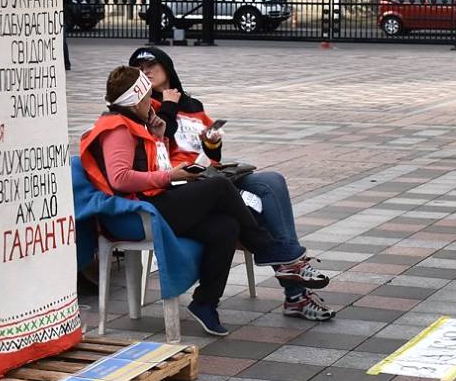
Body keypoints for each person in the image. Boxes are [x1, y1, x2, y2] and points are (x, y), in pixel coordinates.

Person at [80, 66, 305, 337]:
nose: (152, 104)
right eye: (148, 98)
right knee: (219, 186)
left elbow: (144, 163)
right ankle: (267, 249)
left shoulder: (135, 123)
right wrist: (170, 176)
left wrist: (159, 136)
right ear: (136, 100)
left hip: (150, 204)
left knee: (226, 226)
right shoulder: (117, 129)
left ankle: (205, 303)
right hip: (136, 214)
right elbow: (120, 178)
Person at [129, 45, 334, 320]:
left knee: (272, 180)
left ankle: (289, 270)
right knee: (259, 213)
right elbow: (157, 142)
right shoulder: (144, 108)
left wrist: (213, 141)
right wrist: (168, 104)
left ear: (168, 67)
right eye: (140, 69)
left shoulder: (193, 105)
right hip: (183, 183)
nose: (147, 71)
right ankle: (295, 289)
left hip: (212, 174)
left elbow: (211, 152)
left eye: (152, 65)